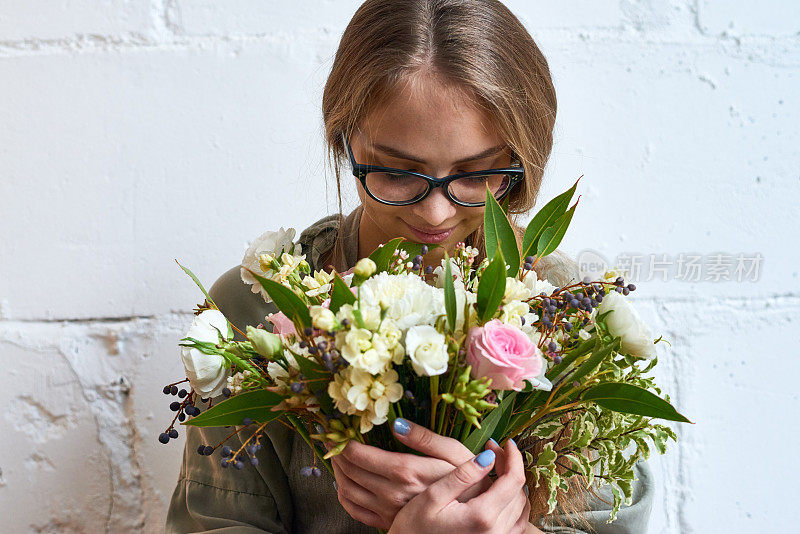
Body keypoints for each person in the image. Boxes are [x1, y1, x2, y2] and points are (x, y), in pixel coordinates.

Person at [166, 0, 654, 532]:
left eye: (477, 174)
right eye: (398, 172)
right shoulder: (255, 308)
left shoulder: (575, 315)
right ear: (343, 138)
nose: (436, 211)